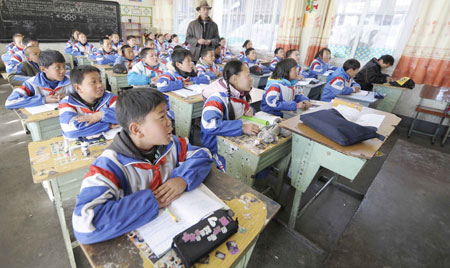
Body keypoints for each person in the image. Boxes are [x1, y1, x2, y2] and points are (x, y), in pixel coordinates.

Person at [72, 88, 213, 244]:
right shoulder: (109, 166)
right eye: (162, 117)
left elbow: (203, 154)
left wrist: (183, 179)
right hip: (147, 239)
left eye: (167, 114)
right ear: (136, 129)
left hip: (178, 227)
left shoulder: (172, 144)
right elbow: (84, 225)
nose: (169, 122)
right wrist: (151, 201)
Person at [201, 60, 259, 171]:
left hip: (233, 138)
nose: (251, 79)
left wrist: (250, 110)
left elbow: (242, 108)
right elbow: (209, 124)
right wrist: (241, 127)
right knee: (235, 171)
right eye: (248, 76)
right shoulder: (217, 98)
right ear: (234, 79)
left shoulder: (239, 93)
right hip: (216, 145)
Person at [59, 65, 119, 139]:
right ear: (78, 88)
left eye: (100, 81)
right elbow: (71, 130)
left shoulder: (110, 97)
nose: (100, 85)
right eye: (93, 82)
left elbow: (125, 115)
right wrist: (108, 125)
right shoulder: (67, 103)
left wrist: (101, 115)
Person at [5, 50, 73, 109]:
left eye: (64, 66)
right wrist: (43, 99)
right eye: (57, 68)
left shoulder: (71, 81)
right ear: (43, 69)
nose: (63, 71)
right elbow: (10, 102)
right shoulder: (31, 84)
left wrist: (68, 96)